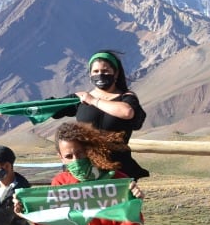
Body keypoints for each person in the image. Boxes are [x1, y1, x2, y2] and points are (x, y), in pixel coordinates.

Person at [51, 50, 149, 179]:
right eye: (96, 71)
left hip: (118, 167)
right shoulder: (80, 98)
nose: (100, 75)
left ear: (116, 73)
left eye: (105, 71)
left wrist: (93, 101)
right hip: (86, 168)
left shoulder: (126, 97)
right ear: (90, 74)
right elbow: (53, 109)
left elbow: (127, 112)